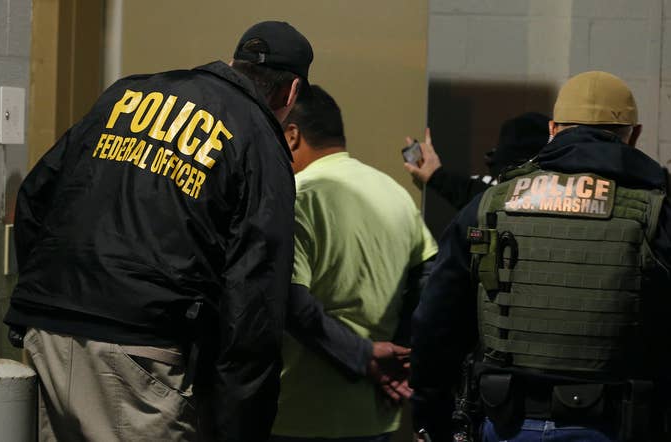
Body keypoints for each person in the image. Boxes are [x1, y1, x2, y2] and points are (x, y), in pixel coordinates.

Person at [3, 21, 313, 442]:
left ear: (233, 61)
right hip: (139, 356)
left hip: (48, 334)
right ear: (291, 92)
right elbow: (254, 301)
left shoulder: (126, 94)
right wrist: (239, 425)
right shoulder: (259, 139)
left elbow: (36, 196)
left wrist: (41, 298)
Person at [411, 70, 671, 442]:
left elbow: (436, 322)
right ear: (635, 134)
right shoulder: (654, 214)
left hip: (506, 420)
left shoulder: (491, 204)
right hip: (613, 424)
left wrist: (429, 413)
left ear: (553, 129)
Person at [270, 85, 438, 442]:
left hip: (299, 412)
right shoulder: (394, 194)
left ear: (292, 135)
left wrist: (363, 356)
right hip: (376, 414)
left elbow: (290, 301)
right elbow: (428, 283)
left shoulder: (296, 198)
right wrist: (404, 358)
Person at [405, 112, 550, 209]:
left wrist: (436, 176)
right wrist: (436, 176)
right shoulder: (561, 195)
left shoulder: (489, 197)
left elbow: (477, 194)